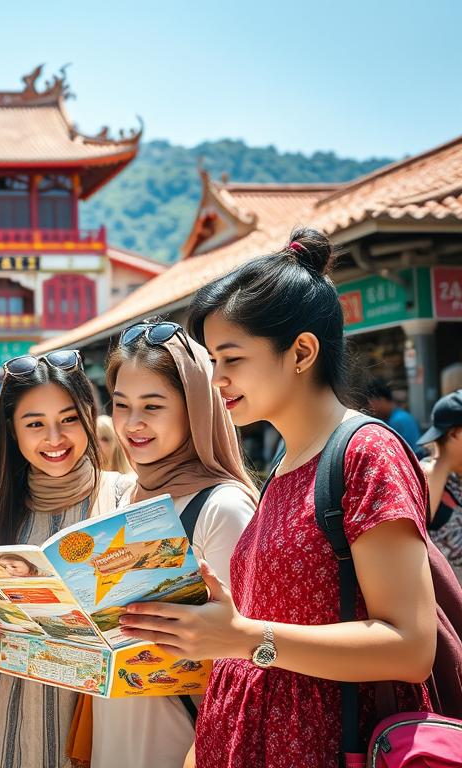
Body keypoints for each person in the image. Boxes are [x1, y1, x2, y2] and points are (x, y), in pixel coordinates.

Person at [117, 229, 436, 768]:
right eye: (213, 360)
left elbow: (409, 646)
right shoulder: (288, 465)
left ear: (302, 351)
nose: (216, 379)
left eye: (231, 358)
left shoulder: (366, 454)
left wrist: (245, 636)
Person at [87, 320, 258, 768]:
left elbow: (247, 663)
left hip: (186, 748)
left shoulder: (222, 508)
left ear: (194, 409)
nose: (133, 424)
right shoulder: (120, 496)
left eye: (153, 406)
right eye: (121, 405)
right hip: (112, 742)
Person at [0, 349, 131, 768]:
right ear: (12, 432)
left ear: (88, 415)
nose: (54, 438)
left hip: (95, 727)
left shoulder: (125, 499)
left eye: (68, 419)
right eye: (35, 424)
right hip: (7, 727)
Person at [418, 390, 462, 581]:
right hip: (447, 603)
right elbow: (421, 531)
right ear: (453, 434)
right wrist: (443, 462)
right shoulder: (428, 473)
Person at [365, 378, 424, 455]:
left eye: (371, 402)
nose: (369, 407)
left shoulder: (399, 420)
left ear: (381, 399)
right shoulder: (392, 418)